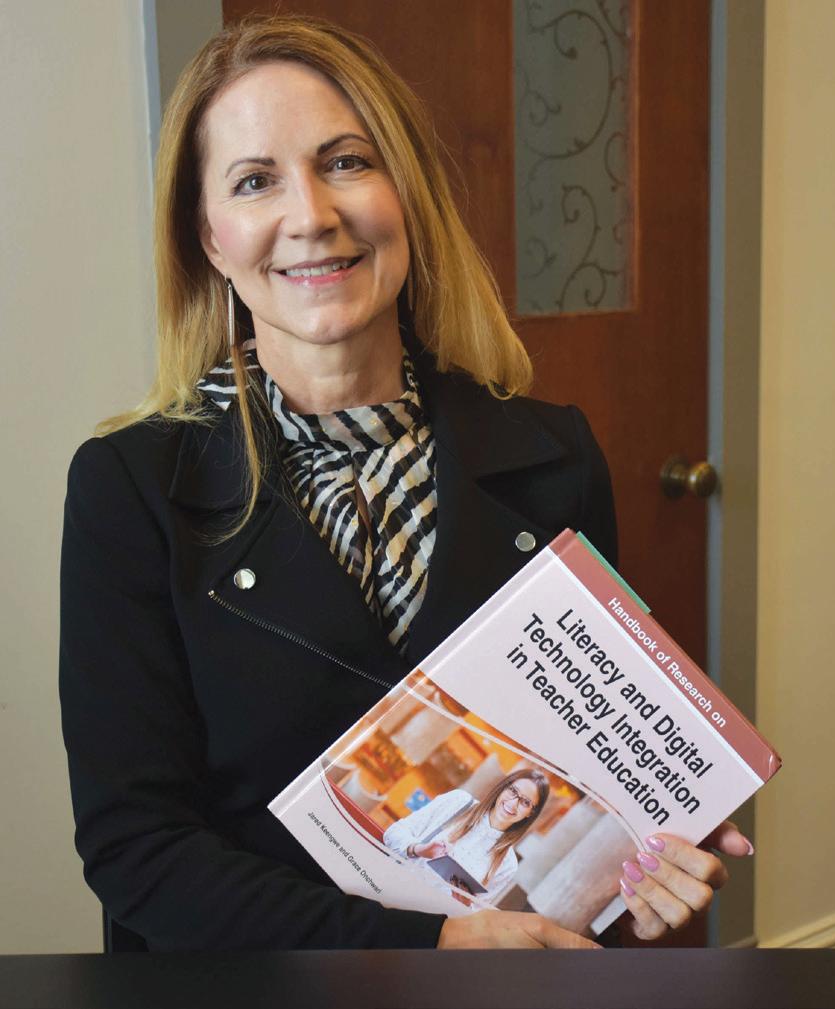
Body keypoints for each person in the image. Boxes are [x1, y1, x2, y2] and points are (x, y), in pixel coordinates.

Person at [59, 13, 751, 953]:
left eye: (346, 162)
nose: (312, 215)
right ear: (210, 238)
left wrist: (647, 846)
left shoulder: (554, 458)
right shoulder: (131, 488)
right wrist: (429, 952)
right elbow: (137, 848)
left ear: (407, 194)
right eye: (255, 181)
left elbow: (583, 774)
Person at [383, 771, 550, 905]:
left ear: (531, 813)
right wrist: (419, 849)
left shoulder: (508, 864)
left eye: (525, 802)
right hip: (391, 889)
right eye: (513, 791)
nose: (513, 803)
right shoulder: (458, 801)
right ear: (503, 787)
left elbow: (472, 916)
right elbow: (392, 833)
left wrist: (463, 906)